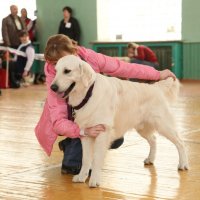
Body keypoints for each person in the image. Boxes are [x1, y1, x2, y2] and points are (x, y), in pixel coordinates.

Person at [35, 34, 176, 175]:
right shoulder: (53, 76)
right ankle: (73, 142)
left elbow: (123, 67)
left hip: (93, 113)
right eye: (54, 63)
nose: (59, 65)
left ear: (74, 52)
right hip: (70, 119)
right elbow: (58, 119)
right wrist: (81, 132)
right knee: (71, 167)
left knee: (115, 137)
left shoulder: (90, 58)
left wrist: (157, 74)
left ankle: (71, 144)